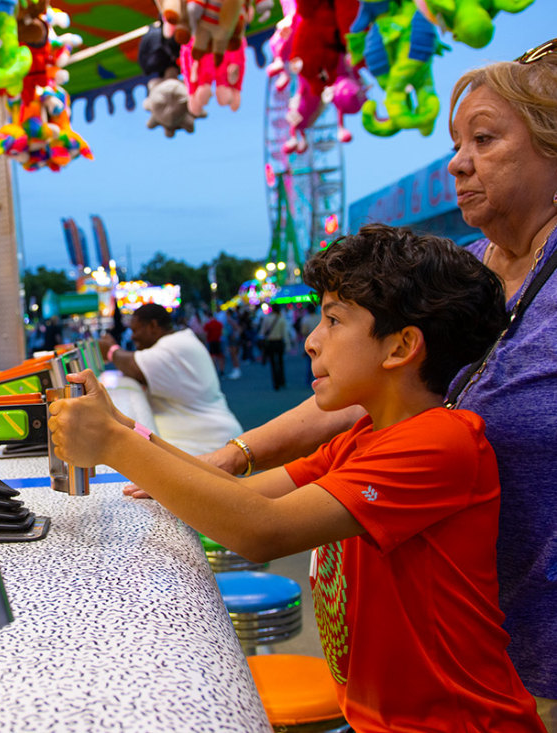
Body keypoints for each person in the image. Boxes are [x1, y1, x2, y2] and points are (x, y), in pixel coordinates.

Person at [51, 225, 544, 731]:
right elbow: (241, 494)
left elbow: (263, 529)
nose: (311, 341)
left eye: (333, 320)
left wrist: (114, 444)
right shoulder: (364, 438)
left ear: (400, 348)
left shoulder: (440, 442)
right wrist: (125, 429)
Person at [195, 43, 557, 731]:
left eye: (484, 140)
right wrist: (236, 455)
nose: (458, 163)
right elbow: (355, 391)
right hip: (461, 631)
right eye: (456, 144)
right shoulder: (461, 272)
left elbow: (261, 528)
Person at [99, 303, 241, 454]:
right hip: (206, 441)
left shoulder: (174, 345)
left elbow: (133, 366)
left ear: (153, 326)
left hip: (210, 445)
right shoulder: (178, 342)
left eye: (135, 330)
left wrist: (111, 350)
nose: (133, 336)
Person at [258, 304, 291, 389]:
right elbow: (285, 333)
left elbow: (262, 332)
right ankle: (282, 380)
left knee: (272, 363)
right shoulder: (281, 319)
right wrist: (288, 344)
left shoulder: (267, 318)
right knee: (280, 362)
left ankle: (275, 383)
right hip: (279, 342)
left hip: (270, 342)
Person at [298, 302, 319, 386]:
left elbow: (304, 332)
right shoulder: (320, 318)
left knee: (309, 362)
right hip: (320, 341)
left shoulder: (306, 319)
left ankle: (309, 378)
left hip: (310, 342)